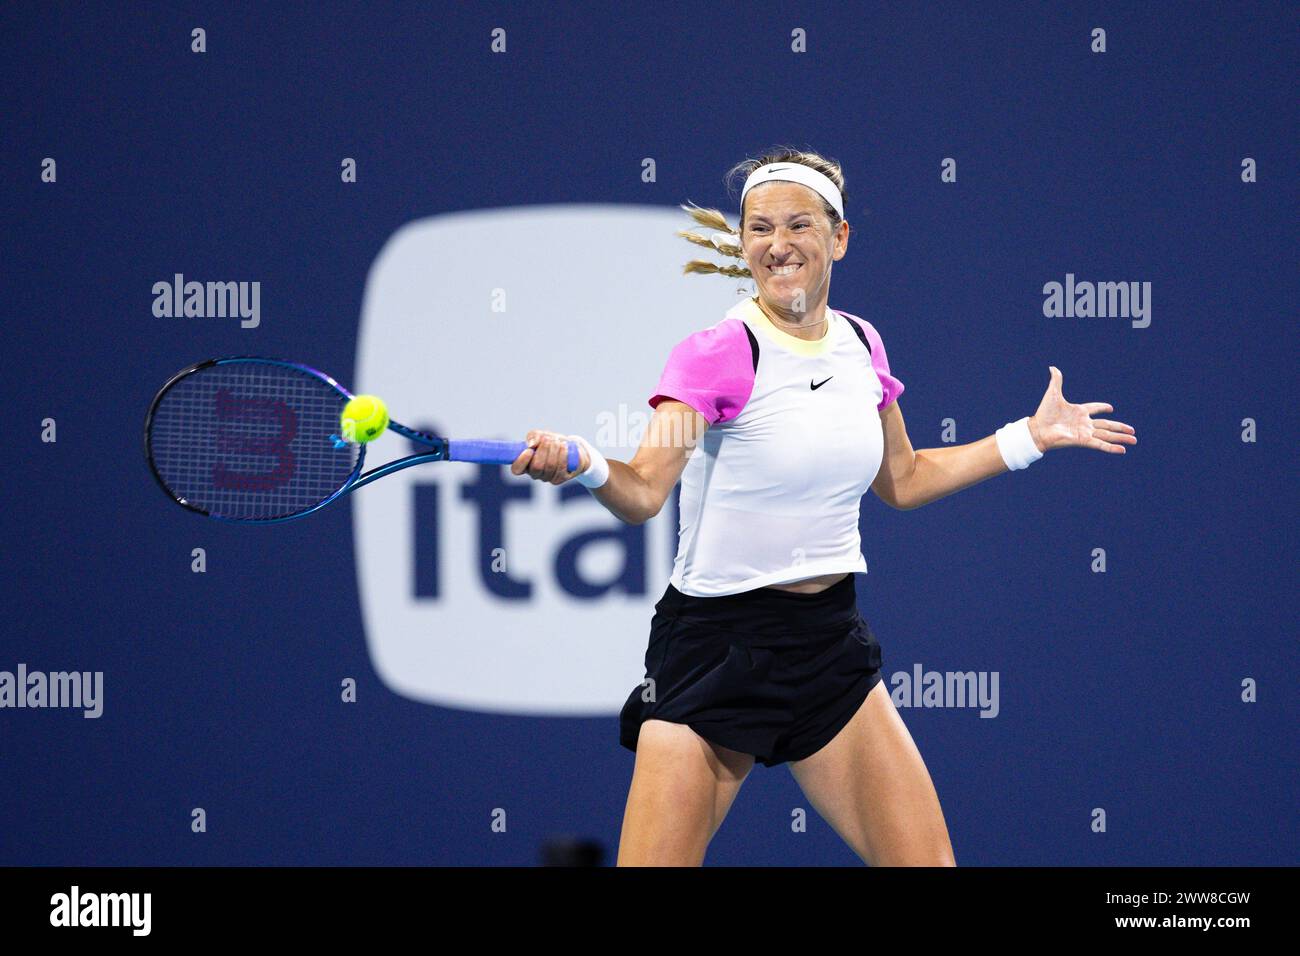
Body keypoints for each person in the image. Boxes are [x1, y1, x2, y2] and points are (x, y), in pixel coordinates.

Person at [511, 147, 1136, 866]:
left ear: (838, 237)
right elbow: (645, 488)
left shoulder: (861, 345)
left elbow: (901, 478)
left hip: (827, 645)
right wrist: (586, 464)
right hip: (715, 649)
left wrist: (1026, 437)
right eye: (759, 228)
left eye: (799, 225)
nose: (778, 245)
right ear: (741, 241)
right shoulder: (716, 354)